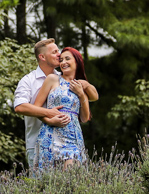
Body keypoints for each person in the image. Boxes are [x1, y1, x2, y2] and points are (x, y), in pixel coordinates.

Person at [13, 39, 97, 167]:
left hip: (71, 138)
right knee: (44, 184)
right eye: (55, 52)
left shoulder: (67, 78)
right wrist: (49, 117)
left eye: (62, 55)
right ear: (42, 56)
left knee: (71, 180)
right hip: (40, 139)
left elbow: (92, 101)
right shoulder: (29, 80)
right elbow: (20, 107)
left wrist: (84, 89)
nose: (59, 56)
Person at [31, 46, 91, 169]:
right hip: (50, 135)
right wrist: (49, 120)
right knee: (48, 182)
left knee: (71, 180)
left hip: (72, 138)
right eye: (61, 60)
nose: (63, 62)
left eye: (67, 59)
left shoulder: (80, 85)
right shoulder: (52, 79)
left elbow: (85, 118)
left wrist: (81, 94)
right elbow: (36, 108)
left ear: (77, 61)